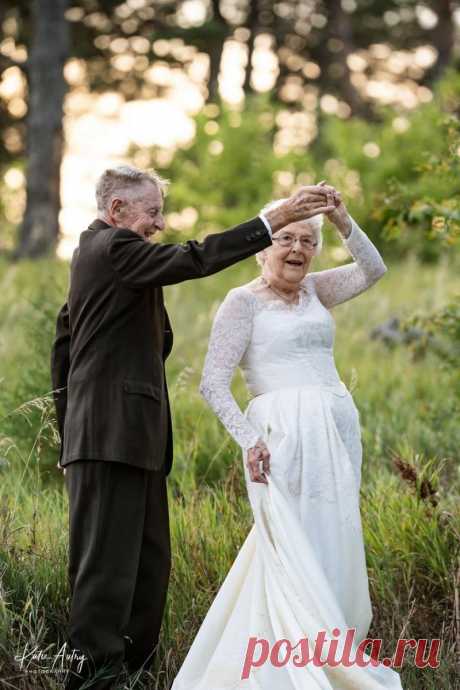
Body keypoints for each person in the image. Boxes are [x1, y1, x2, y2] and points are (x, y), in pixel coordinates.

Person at [50, 164, 337, 689]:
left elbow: (64, 339)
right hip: (107, 438)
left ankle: (134, 676)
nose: (159, 224)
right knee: (105, 573)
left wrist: (71, 428)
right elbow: (196, 257)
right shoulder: (109, 248)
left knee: (147, 566)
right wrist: (278, 218)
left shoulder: (102, 258)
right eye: (152, 213)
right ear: (117, 211)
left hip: (132, 439)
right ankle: (92, 681)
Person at [171, 185, 405, 689]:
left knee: (332, 536)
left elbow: (373, 270)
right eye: (285, 239)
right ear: (262, 248)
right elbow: (213, 381)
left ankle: (328, 650)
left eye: (306, 241)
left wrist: (342, 220)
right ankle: (284, 666)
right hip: (280, 440)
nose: (297, 250)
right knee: (288, 546)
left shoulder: (318, 290)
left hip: (336, 430)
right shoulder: (241, 303)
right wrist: (249, 440)